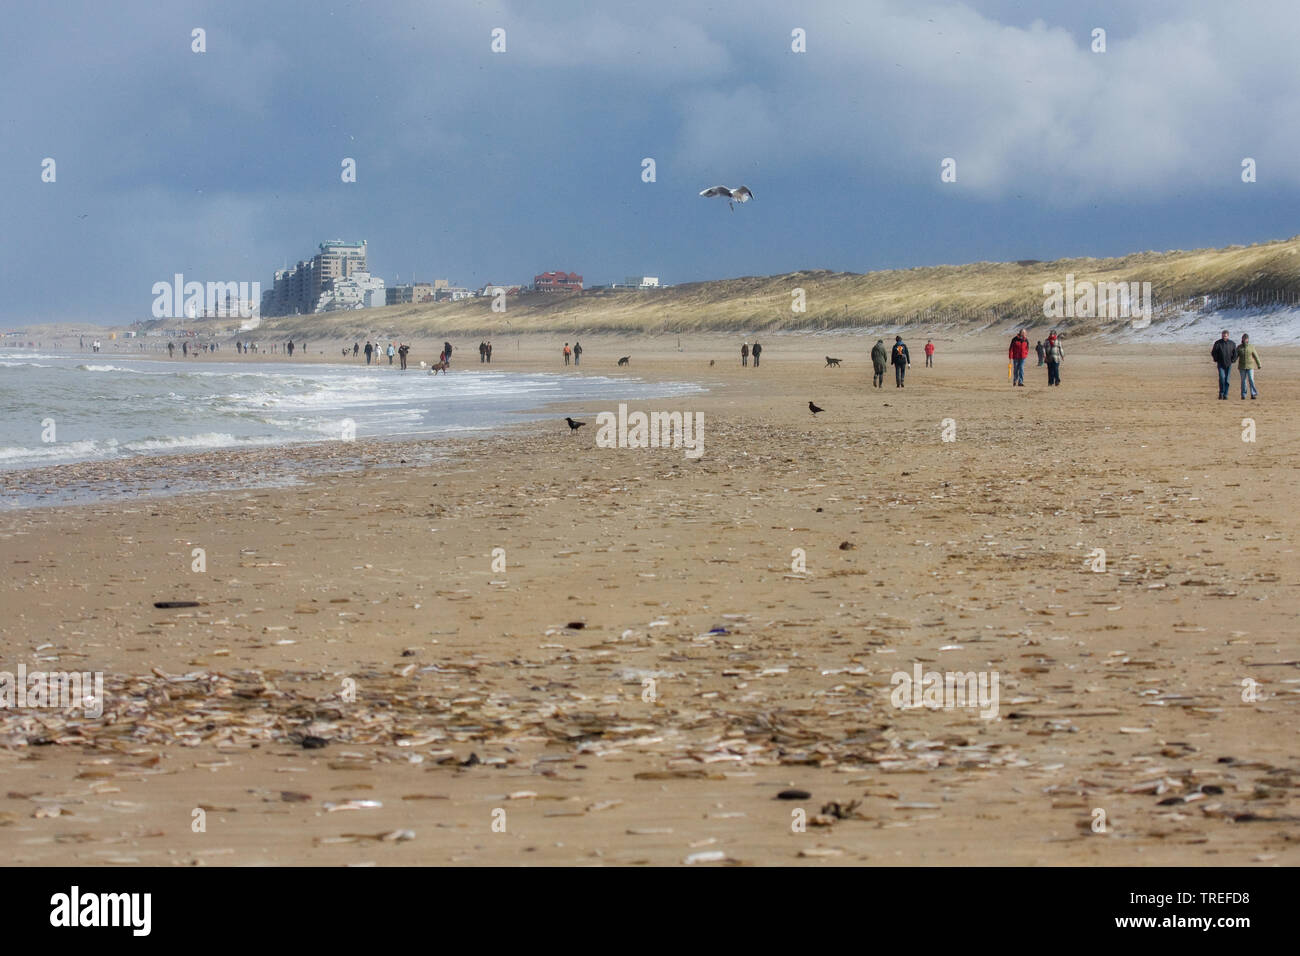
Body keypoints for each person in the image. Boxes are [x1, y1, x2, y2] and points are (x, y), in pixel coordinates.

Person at [1211, 329, 1237, 400]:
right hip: (1220, 364)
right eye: (1223, 336)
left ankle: (1226, 394)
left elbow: (1235, 353)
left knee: (1227, 380)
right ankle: (1221, 393)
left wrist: (1233, 360)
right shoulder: (1218, 343)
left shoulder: (1232, 343)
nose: (1224, 337)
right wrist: (1216, 359)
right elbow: (1213, 352)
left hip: (1228, 364)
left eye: (1225, 336)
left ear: (1228, 336)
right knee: (1222, 378)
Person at [1237, 333, 1261, 399]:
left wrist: (1259, 364)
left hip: (1250, 366)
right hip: (1242, 367)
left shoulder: (1251, 347)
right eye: (1244, 338)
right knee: (1243, 381)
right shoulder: (1239, 347)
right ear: (1242, 339)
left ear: (1248, 339)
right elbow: (1236, 356)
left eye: (1246, 338)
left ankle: (1253, 394)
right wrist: (1231, 361)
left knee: (1251, 379)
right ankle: (1243, 395)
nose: (1245, 340)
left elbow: (1256, 356)